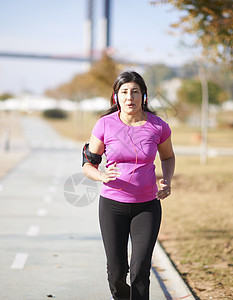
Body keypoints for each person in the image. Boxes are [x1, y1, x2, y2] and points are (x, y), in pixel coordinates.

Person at [82, 71, 175, 300]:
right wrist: (101, 175)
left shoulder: (158, 126)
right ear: (116, 97)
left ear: (143, 95)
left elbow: (168, 157)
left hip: (147, 207)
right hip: (112, 206)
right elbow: (87, 165)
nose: (129, 97)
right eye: (124, 92)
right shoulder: (105, 124)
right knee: (116, 273)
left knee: (140, 271)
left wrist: (167, 181)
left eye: (135, 91)